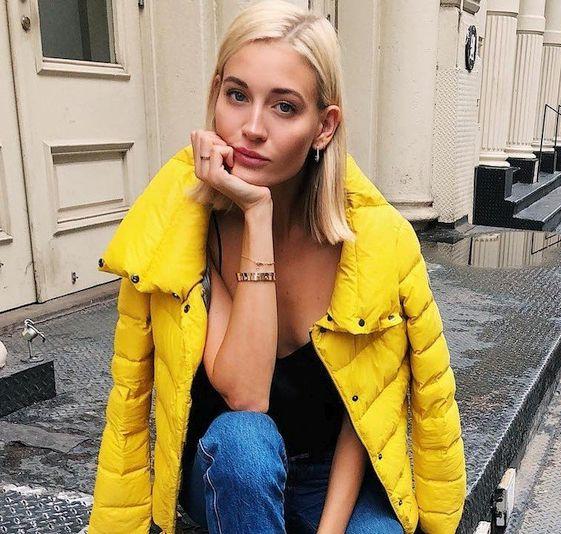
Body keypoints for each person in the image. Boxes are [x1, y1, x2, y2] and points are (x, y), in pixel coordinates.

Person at [88, 2, 466, 533]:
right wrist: (256, 215)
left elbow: (365, 412)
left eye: (284, 107)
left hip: (329, 476)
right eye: (236, 96)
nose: (251, 128)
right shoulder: (184, 232)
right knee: (246, 442)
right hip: (227, 469)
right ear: (215, 95)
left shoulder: (374, 244)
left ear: (324, 127)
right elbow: (246, 395)